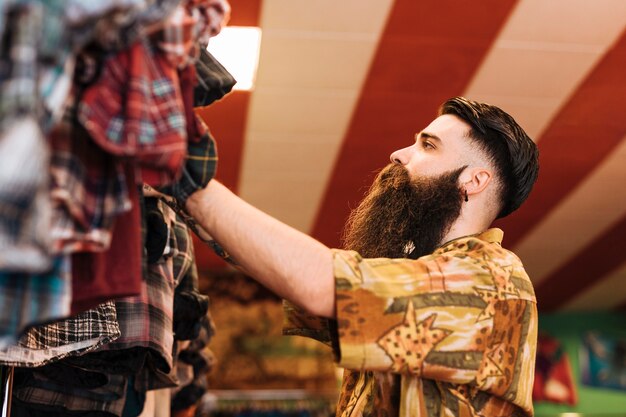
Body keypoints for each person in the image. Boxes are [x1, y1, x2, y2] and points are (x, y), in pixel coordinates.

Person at [184, 97, 540, 417]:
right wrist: (188, 208)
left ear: (473, 181)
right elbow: (288, 276)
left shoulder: (489, 280)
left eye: (428, 145)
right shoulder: (418, 278)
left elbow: (319, 284)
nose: (398, 154)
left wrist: (191, 185)